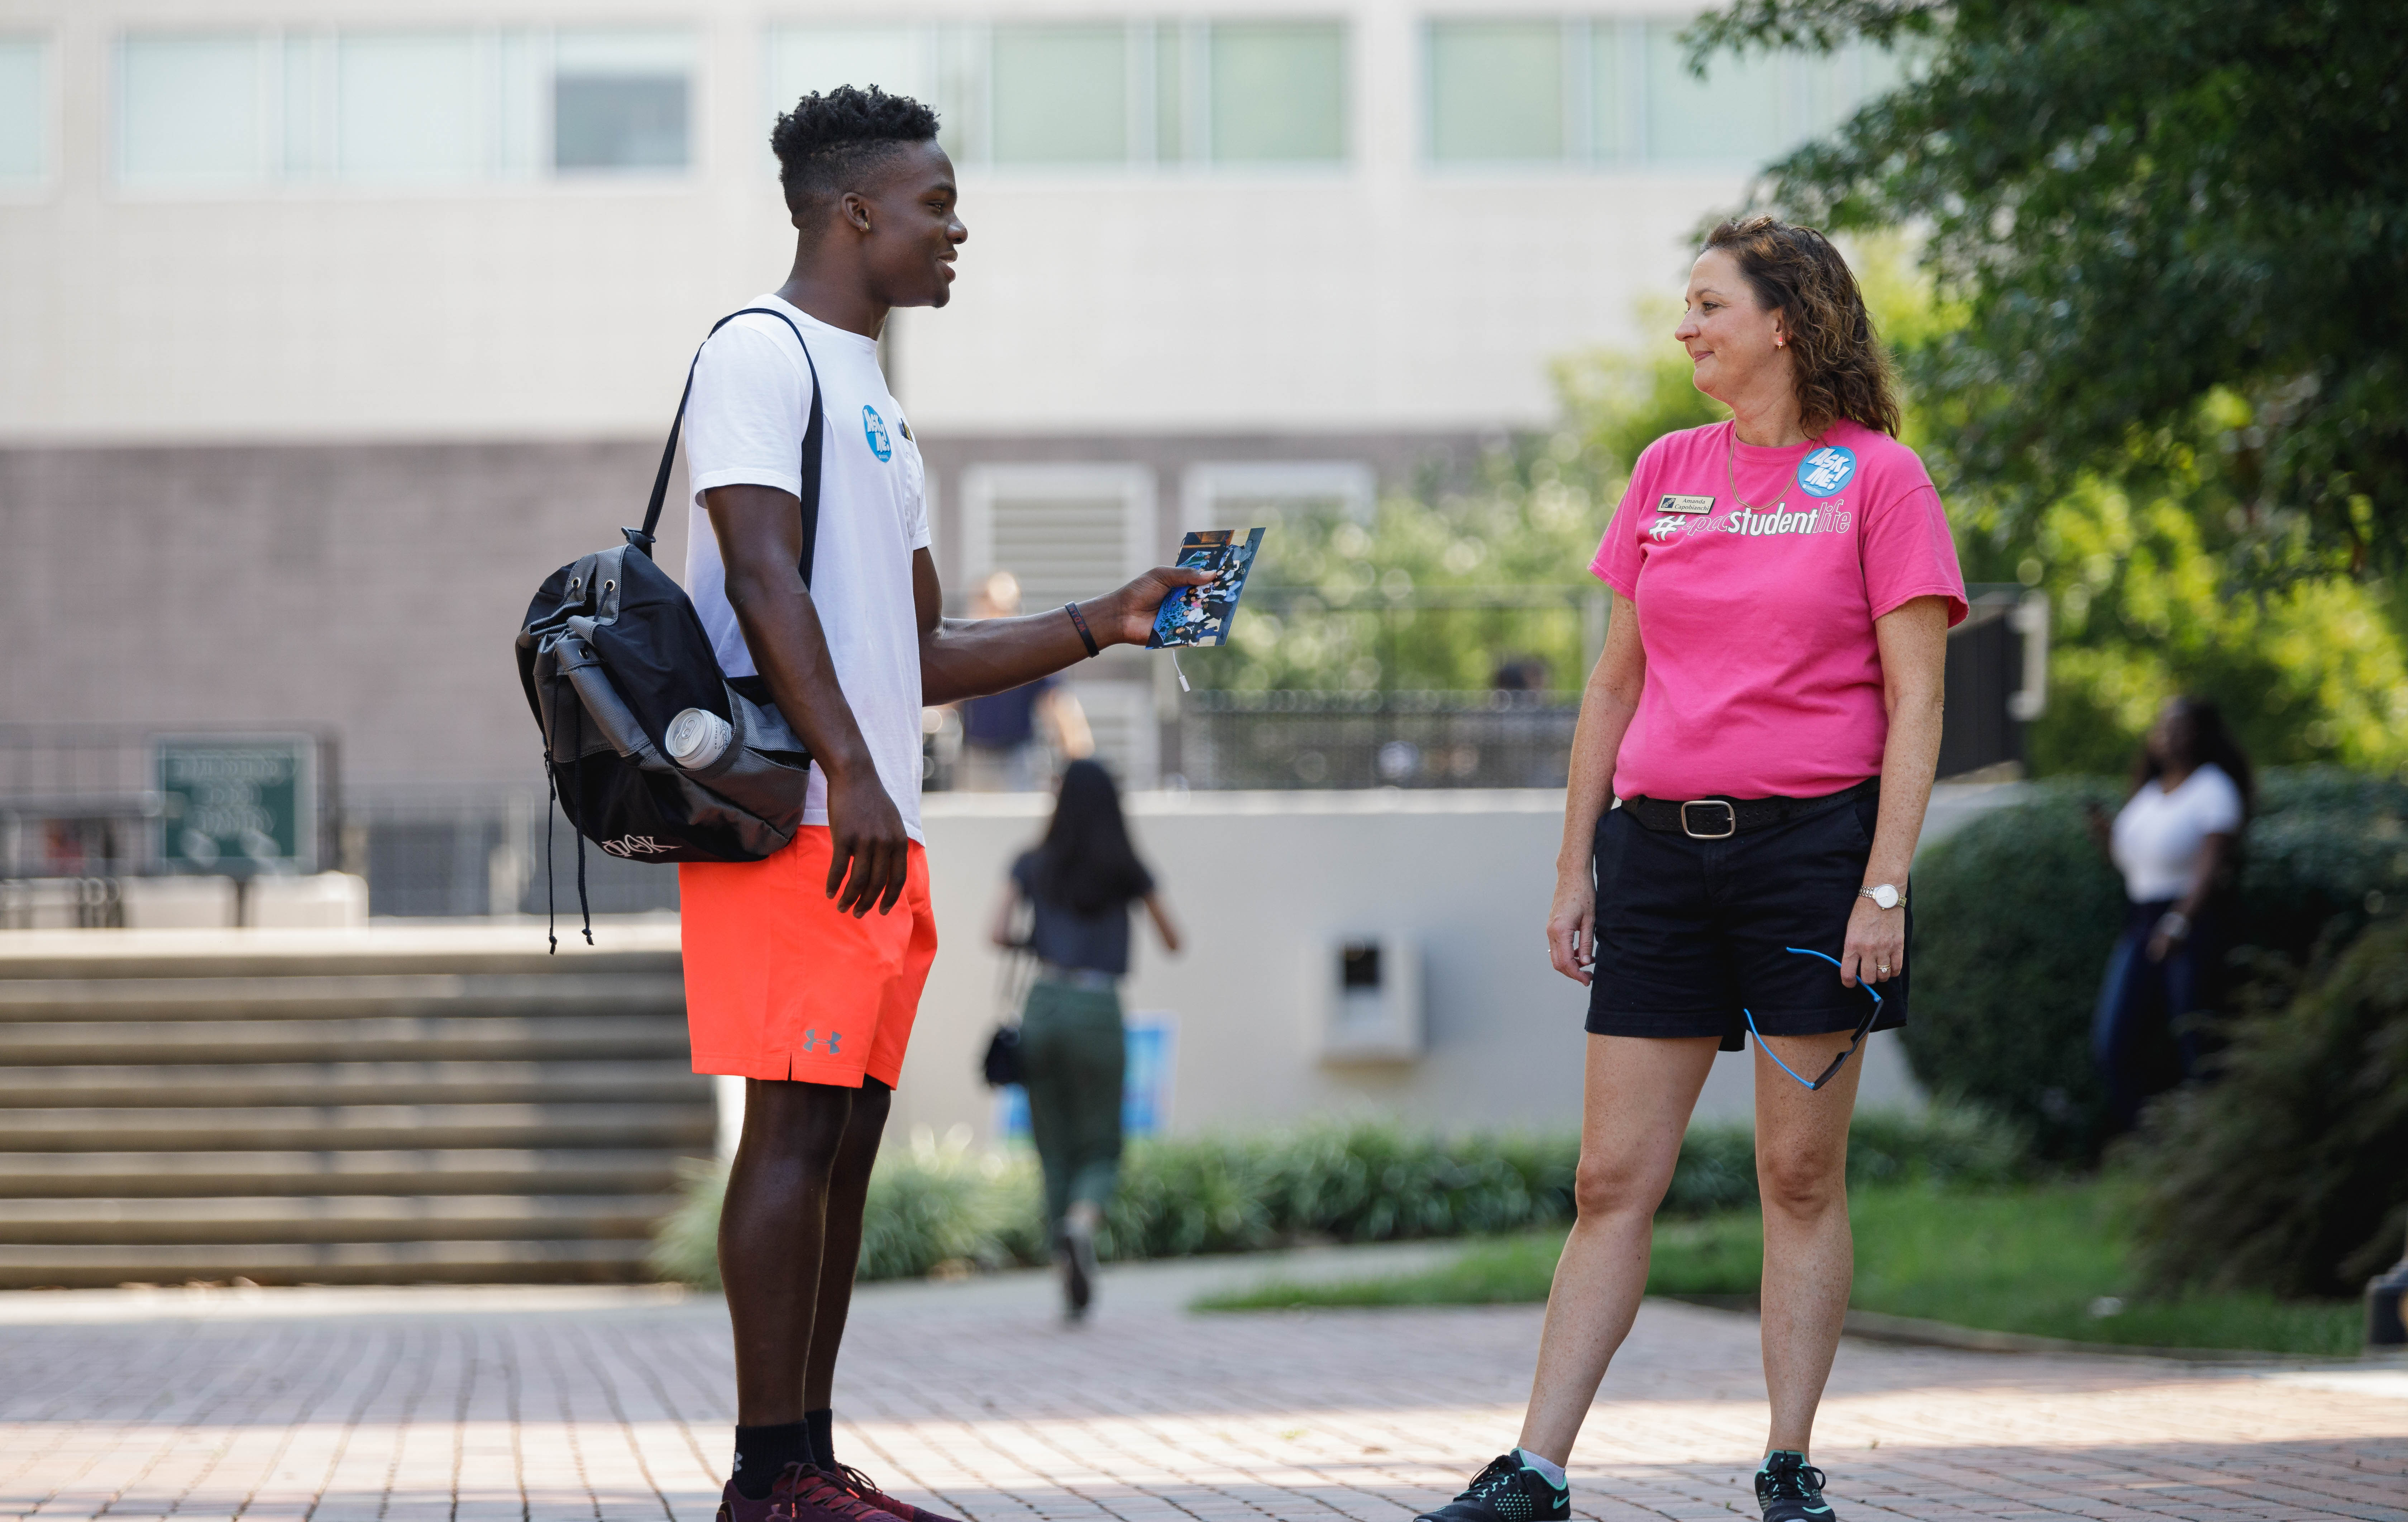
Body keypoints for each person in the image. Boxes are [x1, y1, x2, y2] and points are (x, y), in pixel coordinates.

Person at [674, 85, 1207, 1522]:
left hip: (871, 825)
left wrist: (1107, 617)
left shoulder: (882, 405)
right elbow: (761, 575)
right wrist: (846, 764)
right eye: (936, 205)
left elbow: (917, 653)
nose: (956, 230)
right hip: (792, 810)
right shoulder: (758, 351)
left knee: (840, 1146)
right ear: (858, 212)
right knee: (786, 1134)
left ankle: (811, 1455)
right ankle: (764, 1474)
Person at [1418, 216, 1965, 1522]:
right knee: (1609, 1180)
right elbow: (1612, 682)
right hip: (1658, 857)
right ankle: (1534, 1470)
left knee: (1794, 1175)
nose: (1686, 326)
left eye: (1707, 303)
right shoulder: (1664, 468)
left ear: (1784, 321)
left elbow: (1917, 703)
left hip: (1810, 860)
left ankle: (1784, 1461)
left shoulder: (1878, 480)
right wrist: (1573, 866)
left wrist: (1882, 884)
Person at [987, 758, 1182, 1320]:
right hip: (1099, 1006)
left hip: (1044, 1004)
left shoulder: (1031, 862)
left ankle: (1062, 1270)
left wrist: (1041, 941)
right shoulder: (1126, 867)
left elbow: (996, 931)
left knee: (1052, 1147)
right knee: (1101, 1144)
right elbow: (1173, 939)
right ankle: (1081, 1223)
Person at [2086, 696, 2252, 1132]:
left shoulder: (2214, 788)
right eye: (2164, 727)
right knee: (2114, 1041)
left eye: (2182, 727)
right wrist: (2106, 836)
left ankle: (2210, 1147)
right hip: (2140, 921)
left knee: (2197, 1041)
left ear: (2201, 734)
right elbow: (2132, 863)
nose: (2170, 736)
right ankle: (2147, 1147)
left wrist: (2179, 922)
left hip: (2190, 924)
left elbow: (2211, 866)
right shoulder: (2150, 791)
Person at [956, 571, 1093, 791]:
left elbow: (1060, 706)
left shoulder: (1031, 653)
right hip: (977, 756)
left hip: (1018, 757)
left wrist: (1082, 763)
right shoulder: (965, 655)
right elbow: (942, 704)